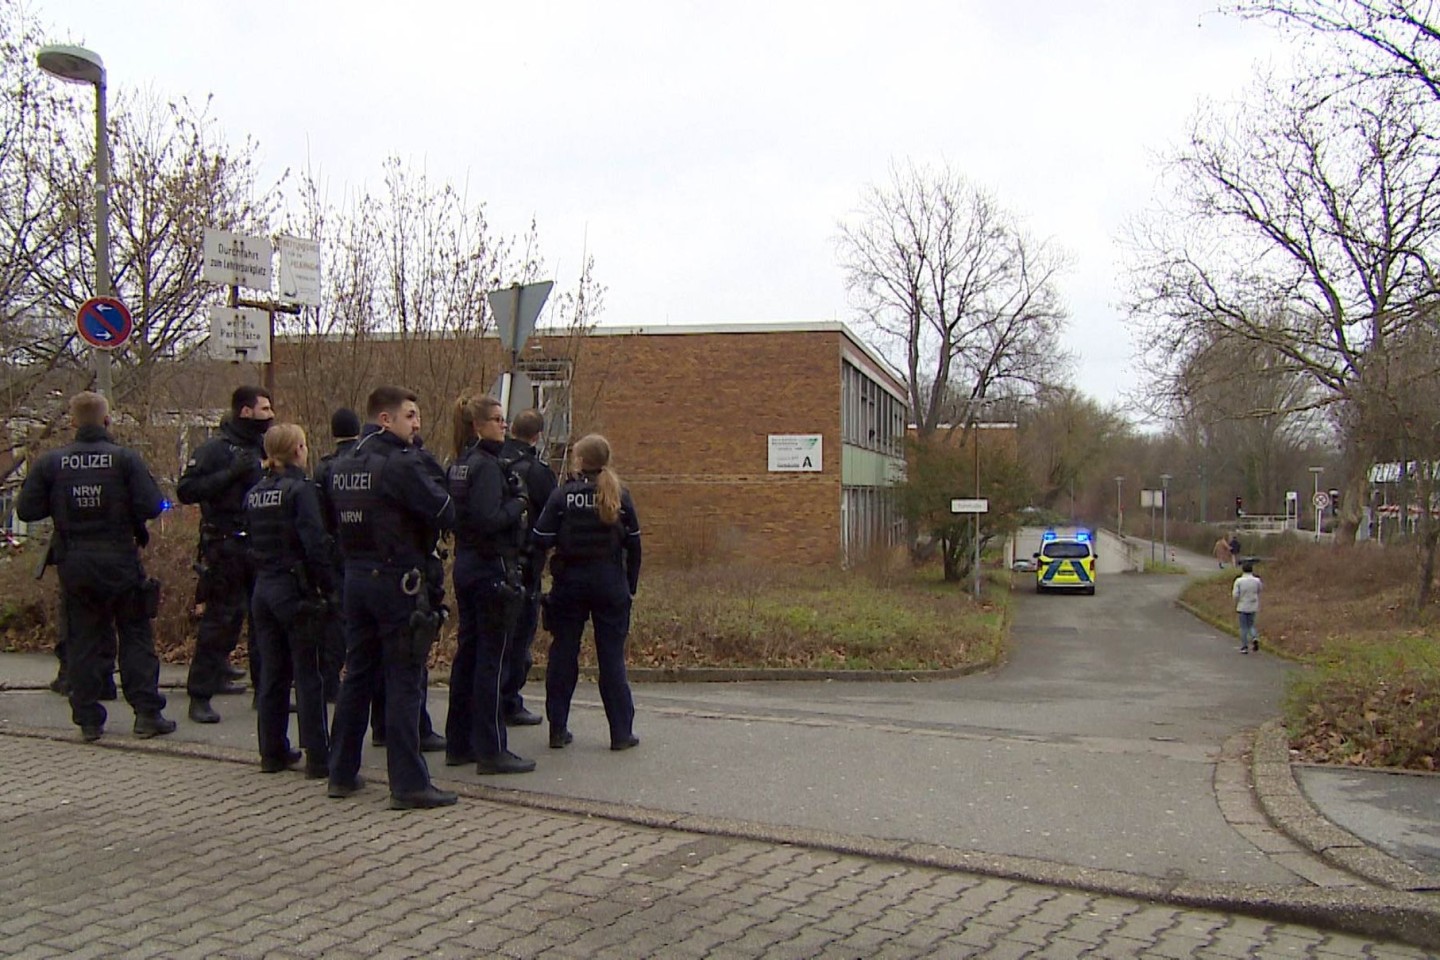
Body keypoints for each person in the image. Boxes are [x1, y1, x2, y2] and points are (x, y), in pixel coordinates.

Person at [15, 391, 175, 742]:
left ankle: (89, 719)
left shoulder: (51, 463)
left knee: (83, 639)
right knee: (134, 635)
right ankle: (147, 713)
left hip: (75, 562)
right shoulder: (124, 460)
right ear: (107, 420)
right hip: (120, 559)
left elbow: (26, 511)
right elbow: (152, 505)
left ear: (72, 422)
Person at [326, 386, 458, 810]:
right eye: (410, 416)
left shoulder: (342, 463)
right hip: (397, 580)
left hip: (356, 578)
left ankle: (341, 772)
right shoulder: (399, 464)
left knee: (357, 676)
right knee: (403, 681)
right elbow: (444, 511)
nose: (416, 424)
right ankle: (408, 783)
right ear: (386, 419)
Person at [532, 434, 642, 752]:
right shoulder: (620, 494)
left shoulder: (563, 496)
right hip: (610, 584)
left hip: (570, 584)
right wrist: (629, 585)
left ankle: (557, 728)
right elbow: (634, 545)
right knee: (611, 658)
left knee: (563, 653)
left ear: (580, 461)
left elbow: (540, 537)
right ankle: (621, 733)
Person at [444, 395, 535, 774]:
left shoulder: (459, 465)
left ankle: (459, 742)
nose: (503, 425)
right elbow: (488, 518)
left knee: (468, 656)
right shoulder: (485, 467)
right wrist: (519, 502)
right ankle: (491, 749)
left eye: (503, 419)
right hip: (490, 568)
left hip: (468, 566)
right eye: (496, 419)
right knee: (491, 662)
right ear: (477, 426)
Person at [178, 385, 274, 724]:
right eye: (264, 409)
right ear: (245, 412)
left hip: (259, 544)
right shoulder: (216, 450)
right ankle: (200, 695)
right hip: (225, 544)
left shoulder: (265, 446)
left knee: (264, 622)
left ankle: (266, 694)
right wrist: (230, 474)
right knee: (221, 620)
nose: (270, 415)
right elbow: (186, 490)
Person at [244, 423, 334, 777]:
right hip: (295, 591)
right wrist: (328, 588)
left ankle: (271, 752)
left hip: (263, 589)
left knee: (272, 673)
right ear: (298, 449)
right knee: (309, 673)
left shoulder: (254, 492)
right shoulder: (301, 490)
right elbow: (315, 544)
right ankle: (317, 756)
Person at [498, 409, 557, 726]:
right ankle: (508, 700)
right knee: (518, 636)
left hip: (494, 560)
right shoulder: (536, 471)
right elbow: (551, 518)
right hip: (526, 563)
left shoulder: (494, 462)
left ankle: (497, 698)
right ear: (537, 436)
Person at [311, 408, 360, 704]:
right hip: (357, 549)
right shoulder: (360, 461)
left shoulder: (323, 467)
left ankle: (329, 678)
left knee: (335, 618)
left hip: (332, 548)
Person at [1232, 562, 1262, 654]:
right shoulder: (1257, 580)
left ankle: (1244, 647)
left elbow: (1235, 594)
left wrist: (1236, 602)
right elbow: (1259, 590)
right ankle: (1254, 637)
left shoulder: (1239, 581)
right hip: (1253, 605)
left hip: (1242, 606)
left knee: (1243, 627)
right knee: (1251, 625)